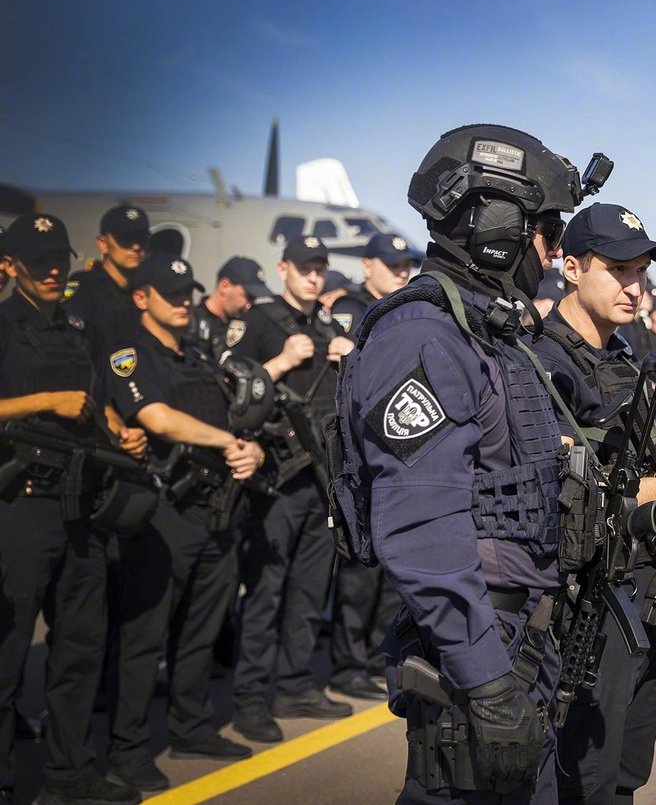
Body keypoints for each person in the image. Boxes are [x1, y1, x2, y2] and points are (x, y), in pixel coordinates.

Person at [333, 124, 604, 803]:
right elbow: (422, 532)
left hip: (518, 640)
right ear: (498, 226)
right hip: (477, 652)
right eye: (547, 229)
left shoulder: (487, 333)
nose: (552, 249)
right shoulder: (423, 338)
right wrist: (486, 682)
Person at [530, 203, 656, 804]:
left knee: (624, 770)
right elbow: (552, 464)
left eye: (641, 272)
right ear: (570, 267)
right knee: (579, 772)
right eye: (618, 270)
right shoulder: (538, 359)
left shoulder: (621, 359)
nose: (634, 287)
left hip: (641, 589)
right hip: (580, 600)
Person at [0, 213, 148, 805]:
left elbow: (93, 399)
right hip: (21, 508)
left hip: (82, 504)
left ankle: (69, 772)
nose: (53, 270)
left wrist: (120, 432)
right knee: (6, 657)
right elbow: (55, 402)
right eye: (38, 261)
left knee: (79, 650)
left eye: (58, 257)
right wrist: (46, 401)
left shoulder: (80, 324)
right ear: (10, 266)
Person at [104, 254, 266, 791]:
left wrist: (252, 453)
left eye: (184, 292)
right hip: (165, 512)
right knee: (145, 635)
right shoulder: (131, 354)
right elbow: (155, 418)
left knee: (202, 627)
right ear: (140, 298)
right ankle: (127, 750)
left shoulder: (199, 353)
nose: (181, 301)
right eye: (168, 293)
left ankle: (192, 725)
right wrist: (228, 443)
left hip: (218, 508)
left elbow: (236, 419)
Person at [226, 235, 355, 742]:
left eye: (320, 268)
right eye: (305, 267)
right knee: (265, 591)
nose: (314, 276)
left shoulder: (324, 325)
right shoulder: (259, 321)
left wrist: (349, 354)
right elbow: (228, 384)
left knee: (307, 590)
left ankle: (297, 683)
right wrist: (280, 361)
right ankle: (250, 698)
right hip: (275, 477)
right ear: (282, 269)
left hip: (319, 478)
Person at [325, 232, 420, 701]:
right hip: (360, 455)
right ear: (367, 266)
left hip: (393, 454)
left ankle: (371, 658)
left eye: (405, 264)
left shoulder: (403, 311)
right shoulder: (352, 307)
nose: (401, 271)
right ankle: (346, 663)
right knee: (358, 576)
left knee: (389, 571)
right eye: (391, 264)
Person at [63, 205, 151, 360]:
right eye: (126, 239)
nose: (136, 247)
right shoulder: (86, 289)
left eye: (141, 239)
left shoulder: (148, 293)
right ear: (103, 244)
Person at [189, 256, 273, 360]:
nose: (249, 305)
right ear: (225, 286)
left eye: (254, 299)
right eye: (247, 297)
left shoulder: (246, 324)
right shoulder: (192, 323)